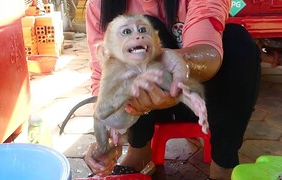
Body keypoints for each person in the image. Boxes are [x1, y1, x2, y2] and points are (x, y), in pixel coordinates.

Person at [84, 0, 261, 179]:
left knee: (238, 42)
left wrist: (169, 68)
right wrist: (107, 134)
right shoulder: (98, 5)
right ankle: (139, 151)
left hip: (201, 98)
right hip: (143, 106)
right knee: (141, 25)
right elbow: (101, 77)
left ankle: (224, 164)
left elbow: (209, 52)